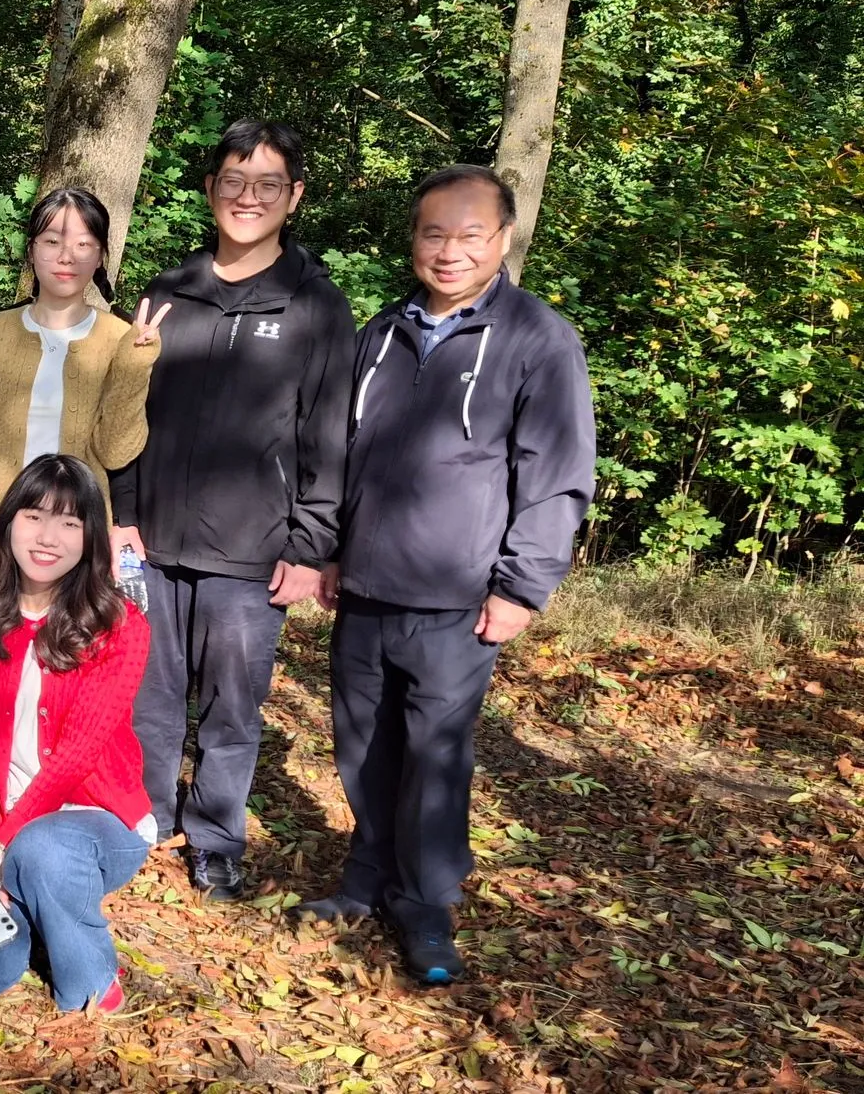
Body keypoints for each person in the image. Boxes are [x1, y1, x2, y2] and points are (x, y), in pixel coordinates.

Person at [297, 165, 596, 985]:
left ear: (503, 238)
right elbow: (345, 456)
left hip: (459, 599)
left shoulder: (537, 338)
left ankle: (425, 905)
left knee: (435, 757)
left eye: (470, 234)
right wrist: (330, 551)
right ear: (414, 239)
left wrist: (522, 586)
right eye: (434, 233)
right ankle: (367, 876)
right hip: (365, 586)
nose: (450, 250)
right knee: (363, 743)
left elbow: (557, 474)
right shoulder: (382, 335)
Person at [111, 120, 357, 901]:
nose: (248, 198)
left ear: (294, 196)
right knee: (149, 698)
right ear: (211, 188)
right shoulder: (167, 293)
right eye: (233, 181)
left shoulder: (316, 306)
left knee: (231, 707)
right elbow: (127, 412)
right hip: (152, 540)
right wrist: (121, 511)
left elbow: (329, 433)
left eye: (267, 184)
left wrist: (311, 546)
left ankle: (216, 838)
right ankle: (143, 820)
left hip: (252, 552)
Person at [0, 454, 153, 1014]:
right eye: (34, 517)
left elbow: (75, 757)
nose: (48, 537)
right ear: (8, 524)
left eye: (69, 523)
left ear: (90, 538)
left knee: (43, 849)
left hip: (93, 819)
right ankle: (33, 900)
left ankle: (91, 979)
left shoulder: (119, 626)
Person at [0, 187, 154, 593]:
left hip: (76, 540)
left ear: (101, 256)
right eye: (52, 242)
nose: (66, 256)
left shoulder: (120, 338)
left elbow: (117, 452)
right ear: (31, 250)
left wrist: (135, 366)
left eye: (83, 244)